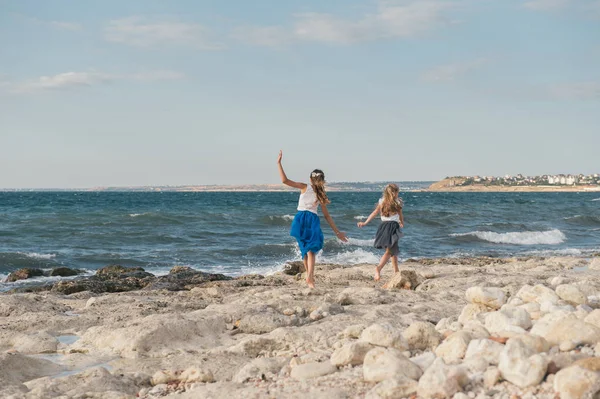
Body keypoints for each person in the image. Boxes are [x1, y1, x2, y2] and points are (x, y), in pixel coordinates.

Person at [277, 150, 348, 288]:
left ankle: (309, 278)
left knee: (307, 250)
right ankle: (310, 277)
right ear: (322, 180)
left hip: (300, 219)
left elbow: (284, 181)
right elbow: (327, 216)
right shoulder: (319, 193)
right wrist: (337, 232)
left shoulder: (306, 187)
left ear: (311, 179)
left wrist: (279, 163)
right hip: (312, 220)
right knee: (309, 251)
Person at [357, 183, 404, 281]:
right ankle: (378, 268)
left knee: (393, 250)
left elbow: (374, 213)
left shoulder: (382, 201)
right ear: (394, 193)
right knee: (390, 251)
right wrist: (401, 222)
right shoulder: (397, 202)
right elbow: (400, 214)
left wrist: (365, 222)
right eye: (397, 192)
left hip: (383, 226)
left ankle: (396, 271)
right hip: (393, 227)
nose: (398, 194)